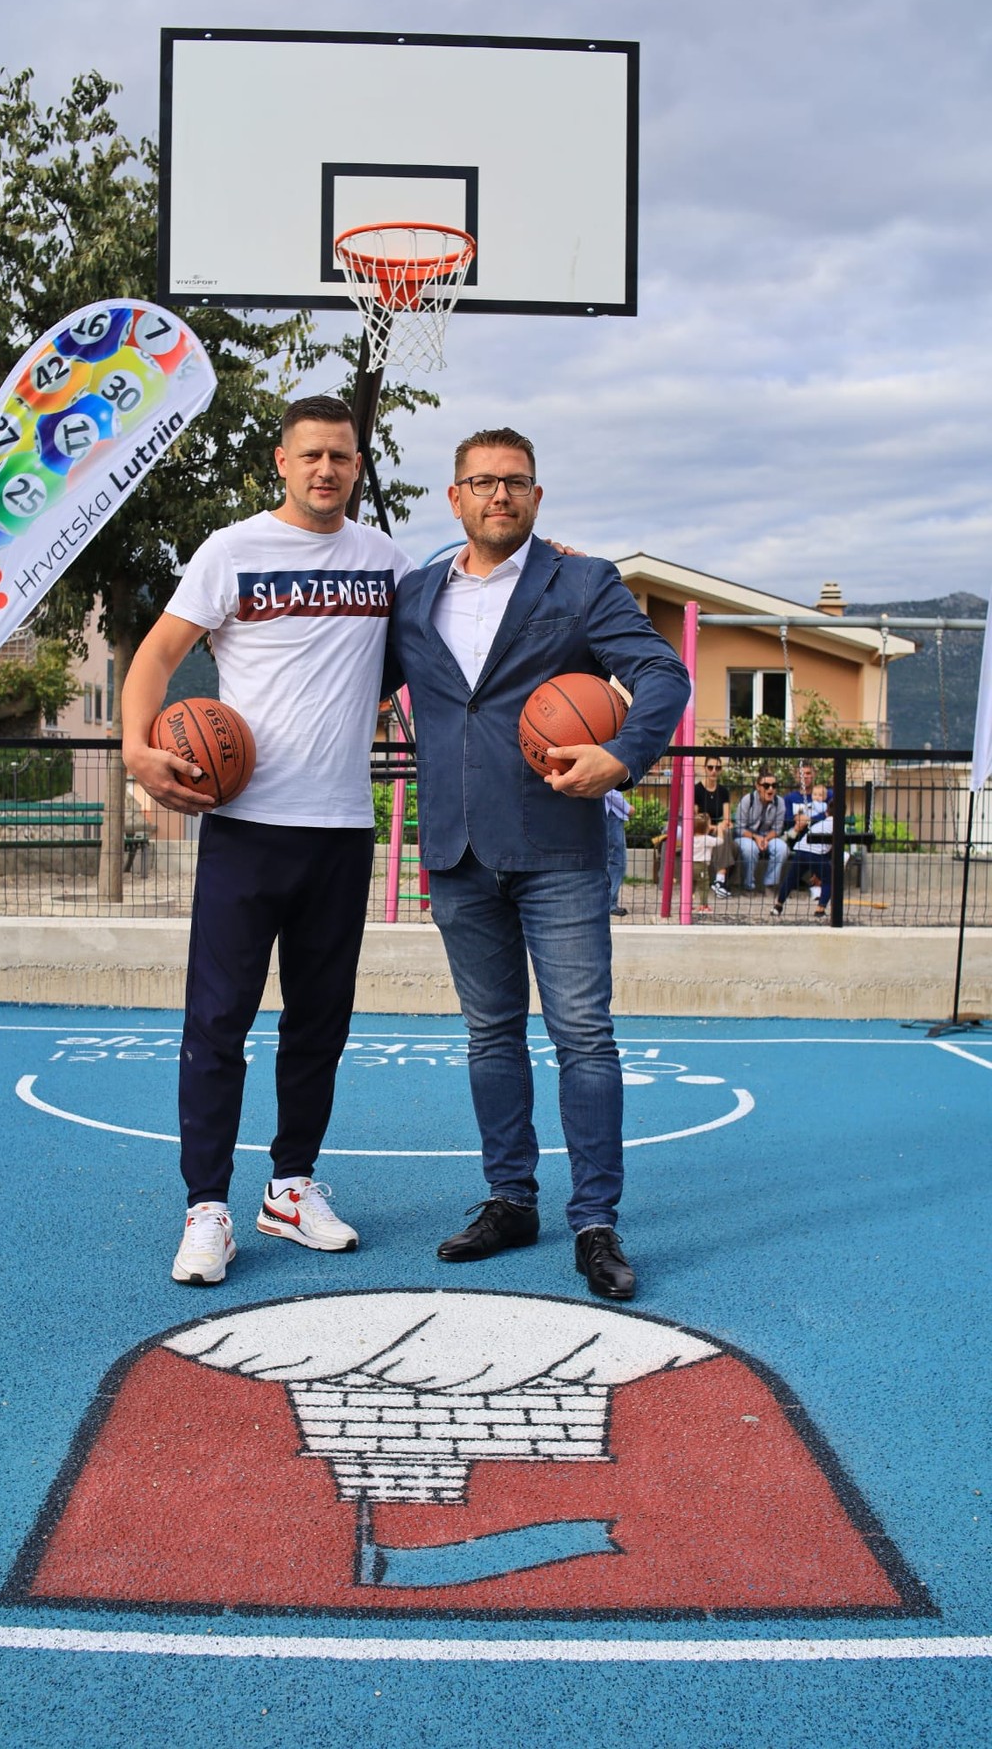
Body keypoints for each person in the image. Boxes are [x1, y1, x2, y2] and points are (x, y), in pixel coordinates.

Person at [386, 427, 690, 1301]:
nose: (498, 496)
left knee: (583, 1037)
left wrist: (624, 754)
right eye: (480, 483)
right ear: (454, 498)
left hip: (559, 845)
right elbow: (340, 679)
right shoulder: (414, 598)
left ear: (536, 496)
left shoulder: (582, 581)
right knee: (490, 1035)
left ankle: (595, 1220)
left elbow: (661, 675)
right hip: (457, 847)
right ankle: (509, 1199)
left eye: (514, 482)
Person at [121, 396, 415, 1286]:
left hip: (340, 829)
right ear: (280, 463)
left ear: (359, 467)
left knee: (318, 1026)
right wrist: (138, 751)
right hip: (246, 826)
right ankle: (206, 1206)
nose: (327, 469)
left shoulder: (388, 563)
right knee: (218, 1022)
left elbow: (448, 632)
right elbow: (157, 656)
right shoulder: (233, 550)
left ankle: (290, 1187)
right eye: (311, 455)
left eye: (342, 457)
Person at [772, 783, 835, 918]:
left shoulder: (819, 822)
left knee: (791, 878)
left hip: (802, 848)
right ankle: (820, 909)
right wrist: (820, 870)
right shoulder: (837, 825)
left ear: (827, 812)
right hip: (817, 853)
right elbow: (831, 850)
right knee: (829, 879)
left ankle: (778, 905)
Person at [734, 770, 789, 893]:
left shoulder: (779, 802)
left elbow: (777, 829)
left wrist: (765, 839)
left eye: (774, 786)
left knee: (782, 848)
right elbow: (739, 828)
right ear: (758, 787)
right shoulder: (747, 800)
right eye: (766, 786)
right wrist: (756, 838)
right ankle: (749, 887)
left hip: (767, 836)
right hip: (746, 836)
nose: (771, 789)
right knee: (750, 849)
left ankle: (770, 884)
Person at [694, 756, 736, 898]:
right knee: (727, 839)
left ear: (721, 771)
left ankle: (719, 881)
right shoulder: (697, 790)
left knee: (727, 835)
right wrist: (713, 827)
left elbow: (727, 818)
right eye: (710, 767)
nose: (713, 771)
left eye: (717, 768)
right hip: (702, 831)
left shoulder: (723, 791)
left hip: (717, 829)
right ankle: (721, 882)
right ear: (704, 768)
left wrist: (720, 826)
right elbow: (696, 818)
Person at [604, 789, 632, 917]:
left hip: (604, 813)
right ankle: (610, 903)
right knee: (617, 860)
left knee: (608, 859)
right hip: (611, 814)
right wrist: (626, 808)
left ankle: (607, 901)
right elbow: (609, 788)